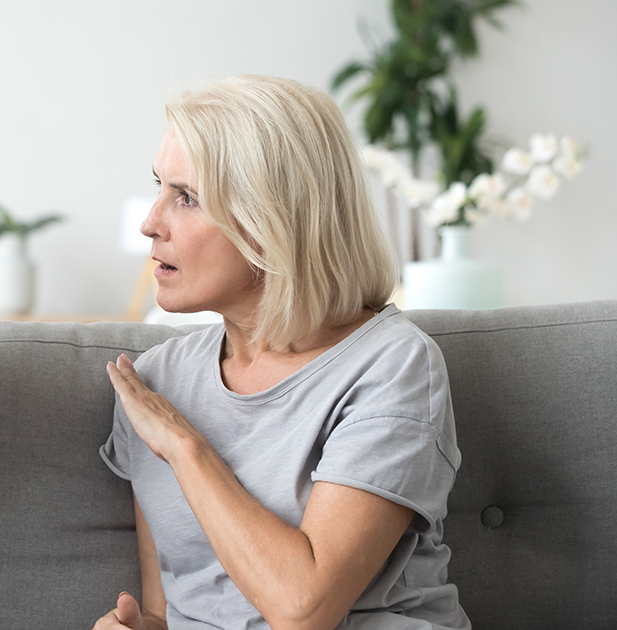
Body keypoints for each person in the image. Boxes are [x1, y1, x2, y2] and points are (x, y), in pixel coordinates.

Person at [94, 75, 470, 630]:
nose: (151, 224)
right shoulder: (153, 382)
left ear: (271, 220)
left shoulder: (392, 367)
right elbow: (170, 609)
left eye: (187, 197)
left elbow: (303, 608)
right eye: (160, 188)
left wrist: (184, 446)